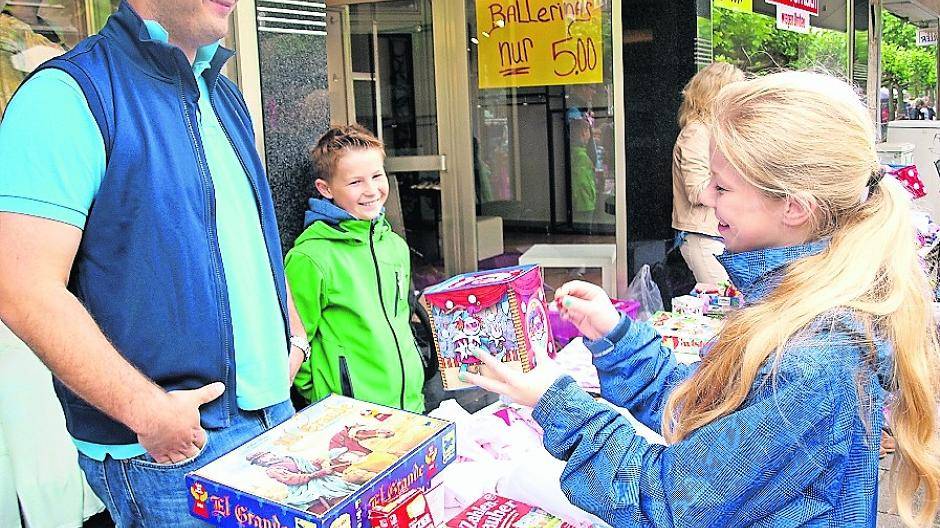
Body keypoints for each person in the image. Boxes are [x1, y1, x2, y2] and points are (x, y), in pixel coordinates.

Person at [463, 71, 940, 526]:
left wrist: (554, 400)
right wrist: (617, 337)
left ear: (793, 206)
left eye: (723, 186)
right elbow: (709, 409)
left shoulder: (817, 356)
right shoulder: (797, 302)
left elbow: (668, 503)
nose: (707, 196)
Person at [0, 1, 311, 525]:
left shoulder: (224, 92)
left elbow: (253, 242)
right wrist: (147, 412)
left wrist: (294, 338)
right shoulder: (66, 95)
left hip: (272, 416)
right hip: (176, 445)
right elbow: (21, 285)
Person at [286, 124, 425, 412]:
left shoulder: (395, 246)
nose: (371, 190)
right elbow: (296, 339)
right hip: (351, 418)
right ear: (325, 189)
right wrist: (323, 394)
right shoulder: (311, 257)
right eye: (355, 182)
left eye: (377, 176)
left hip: (411, 406)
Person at [672, 62, 744, 285]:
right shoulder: (696, 133)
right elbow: (697, 192)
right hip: (704, 238)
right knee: (723, 310)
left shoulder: (715, 132)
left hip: (717, 235)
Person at [570, 119, 596, 221]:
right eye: (588, 131)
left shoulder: (574, 153)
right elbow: (584, 182)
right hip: (585, 203)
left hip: (578, 202)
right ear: (583, 133)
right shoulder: (582, 157)